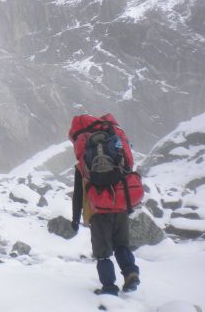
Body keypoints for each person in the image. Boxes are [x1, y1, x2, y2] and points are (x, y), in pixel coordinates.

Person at [69, 114, 141, 296]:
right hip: (121, 206)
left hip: (99, 211)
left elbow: (78, 194)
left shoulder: (83, 161)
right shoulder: (115, 147)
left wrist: (75, 219)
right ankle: (131, 273)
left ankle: (109, 288)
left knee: (102, 253)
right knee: (122, 245)